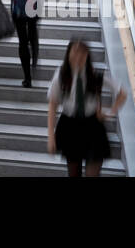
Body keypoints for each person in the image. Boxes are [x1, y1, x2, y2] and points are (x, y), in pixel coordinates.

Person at [47, 39, 125, 177]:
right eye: (75, 52)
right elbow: (53, 105)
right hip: (69, 126)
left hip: (92, 127)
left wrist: (110, 113)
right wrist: (51, 136)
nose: (78, 56)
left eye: (82, 53)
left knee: (92, 174)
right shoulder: (61, 75)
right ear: (68, 54)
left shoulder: (95, 75)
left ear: (87, 56)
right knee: (73, 173)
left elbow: (122, 93)